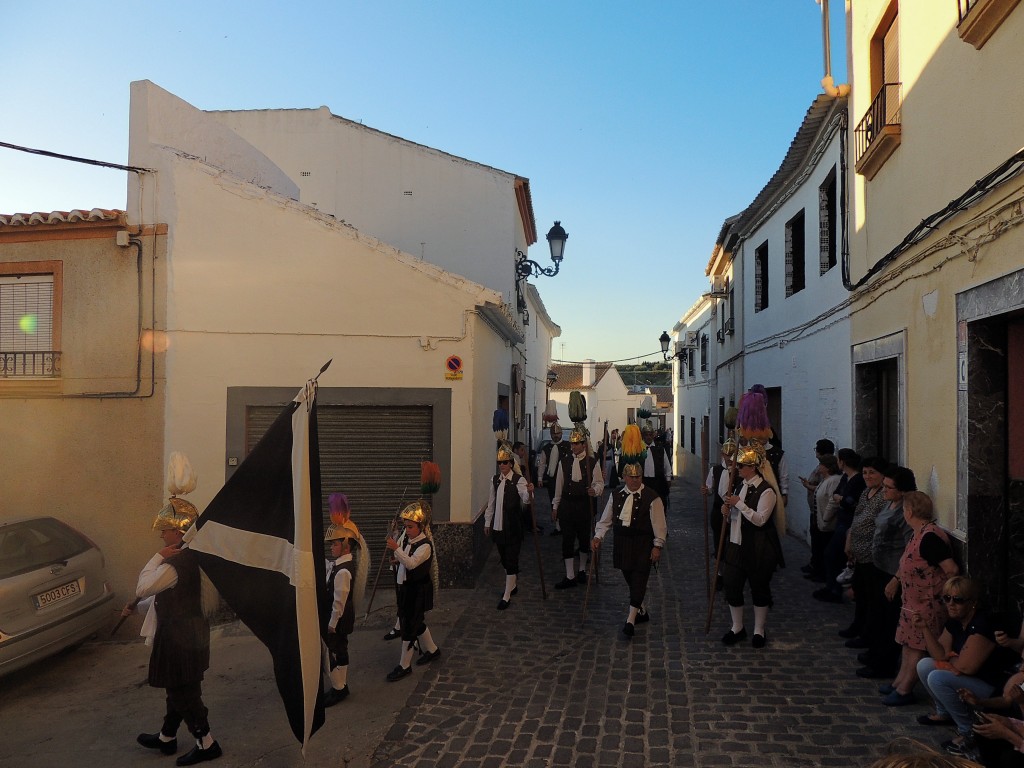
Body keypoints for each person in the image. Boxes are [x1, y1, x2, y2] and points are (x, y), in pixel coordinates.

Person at [126, 453, 222, 766]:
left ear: (178, 532)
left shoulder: (176, 563)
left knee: (184, 693)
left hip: (179, 638)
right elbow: (161, 597)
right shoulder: (189, 558)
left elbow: (145, 586)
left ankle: (207, 743)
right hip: (187, 633)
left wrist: (156, 557)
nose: (162, 535)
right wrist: (139, 608)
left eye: (165, 531)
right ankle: (167, 738)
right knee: (178, 688)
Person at [914, 577, 1017, 755]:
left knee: (937, 677)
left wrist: (952, 660)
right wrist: (924, 628)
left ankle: (968, 730)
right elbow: (939, 654)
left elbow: (967, 667)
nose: (951, 604)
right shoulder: (955, 620)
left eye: (958, 600)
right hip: (972, 677)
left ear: (973, 603)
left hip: (993, 685)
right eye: (946, 598)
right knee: (924, 665)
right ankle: (944, 712)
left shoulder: (983, 623)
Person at [881, 491, 959, 706]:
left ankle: (906, 689)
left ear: (909, 511)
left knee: (918, 646)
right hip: (913, 602)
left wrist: (947, 595)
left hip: (927, 604)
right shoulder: (919, 532)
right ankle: (899, 681)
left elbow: (951, 569)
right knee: (908, 644)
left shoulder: (931, 537)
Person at [592, 461, 667, 639]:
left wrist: (658, 545)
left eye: (638, 477)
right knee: (629, 576)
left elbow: (659, 523)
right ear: (624, 477)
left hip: (643, 543)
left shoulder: (652, 497)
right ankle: (641, 609)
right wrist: (598, 536)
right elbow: (606, 519)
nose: (635, 480)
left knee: (639, 578)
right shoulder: (616, 494)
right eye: (631, 477)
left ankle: (630, 621)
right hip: (622, 543)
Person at [720, 443, 784, 649]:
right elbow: (737, 516)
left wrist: (739, 504)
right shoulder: (739, 486)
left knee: (759, 587)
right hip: (735, 544)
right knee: (732, 585)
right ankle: (737, 626)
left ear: (752, 467)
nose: (737, 469)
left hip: (757, 547)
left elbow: (760, 520)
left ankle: (759, 629)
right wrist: (727, 512)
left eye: (741, 466)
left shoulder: (767, 491)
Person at [857, 465, 916, 681]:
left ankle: (883, 665)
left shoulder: (906, 513)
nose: (884, 491)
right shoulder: (890, 503)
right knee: (876, 615)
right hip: (879, 567)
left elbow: (909, 548)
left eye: (889, 488)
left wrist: (896, 578)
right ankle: (875, 654)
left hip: (893, 572)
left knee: (889, 620)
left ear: (902, 491)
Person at [384, 501, 441, 682]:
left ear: (421, 527)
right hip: (406, 589)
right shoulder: (409, 541)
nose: (407, 530)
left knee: (409, 627)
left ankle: (404, 665)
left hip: (417, 591)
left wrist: (397, 550)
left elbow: (411, 563)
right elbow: (405, 560)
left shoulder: (425, 546)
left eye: (410, 527)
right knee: (416, 622)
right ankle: (432, 650)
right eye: (406, 527)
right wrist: (397, 560)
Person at [840, 456, 890, 644]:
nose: (868, 476)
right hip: (859, 553)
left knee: (871, 598)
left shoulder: (884, 496)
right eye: (865, 472)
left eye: (872, 472)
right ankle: (857, 626)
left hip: (873, 556)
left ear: (882, 474)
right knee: (860, 593)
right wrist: (849, 540)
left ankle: (867, 634)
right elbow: (857, 517)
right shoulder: (866, 492)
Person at [552, 428, 604, 589]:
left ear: (583, 444)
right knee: (567, 540)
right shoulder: (564, 462)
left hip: (584, 505)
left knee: (583, 539)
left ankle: (581, 569)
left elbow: (600, 483)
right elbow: (558, 486)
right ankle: (570, 575)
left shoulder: (592, 462)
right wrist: (555, 506)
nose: (573, 447)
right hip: (567, 506)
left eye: (576, 444)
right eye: (572, 444)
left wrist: (594, 490)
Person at [323, 516, 367, 707]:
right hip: (341, 617)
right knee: (340, 648)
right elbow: (328, 567)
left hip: (337, 618)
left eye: (334, 544)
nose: (331, 547)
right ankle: (342, 685)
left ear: (346, 546)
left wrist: (332, 623)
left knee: (328, 652)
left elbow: (339, 601)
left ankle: (339, 688)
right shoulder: (339, 565)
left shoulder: (343, 571)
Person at [484, 443, 533, 609]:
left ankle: (506, 595)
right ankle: (513, 584)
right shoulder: (495, 480)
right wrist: (487, 521)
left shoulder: (519, 480)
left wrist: (529, 492)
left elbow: (525, 499)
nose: (502, 465)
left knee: (511, 559)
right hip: (498, 526)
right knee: (504, 559)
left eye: (505, 462)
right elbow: (491, 502)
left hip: (513, 526)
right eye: (500, 463)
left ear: (511, 463)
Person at [818, 449, 866, 602]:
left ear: (842, 462)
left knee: (832, 553)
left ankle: (836, 588)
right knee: (834, 554)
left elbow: (849, 501)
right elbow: (838, 495)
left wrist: (842, 499)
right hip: (842, 520)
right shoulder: (846, 477)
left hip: (848, 522)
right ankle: (833, 586)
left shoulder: (858, 480)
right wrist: (841, 498)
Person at [799, 438, 836, 580]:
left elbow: (822, 489)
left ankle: (819, 568)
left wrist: (808, 486)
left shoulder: (826, 470)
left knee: (819, 541)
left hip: (819, 512)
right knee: (817, 540)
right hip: (816, 510)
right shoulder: (822, 468)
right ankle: (815, 564)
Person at [810, 454, 842, 599]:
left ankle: (832, 585)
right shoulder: (826, 480)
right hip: (822, 523)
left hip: (828, 525)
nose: (819, 467)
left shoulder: (834, 481)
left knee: (830, 555)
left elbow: (832, 501)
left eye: (821, 464)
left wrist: (825, 518)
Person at [537, 423, 569, 536]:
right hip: (552, 479)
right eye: (554, 433)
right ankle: (558, 526)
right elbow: (542, 463)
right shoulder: (546, 448)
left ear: (561, 433)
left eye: (558, 433)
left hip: (565, 479)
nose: (556, 435)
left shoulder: (568, 446)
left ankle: (566, 526)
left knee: (565, 502)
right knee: (553, 501)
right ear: (550, 434)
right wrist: (540, 477)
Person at [640, 423, 672, 510]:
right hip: (644, 482)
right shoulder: (639, 449)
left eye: (650, 434)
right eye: (646, 435)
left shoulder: (660, 448)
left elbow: (666, 464)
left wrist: (668, 478)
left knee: (659, 504)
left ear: (653, 435)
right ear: (643, 436)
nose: (648, 437)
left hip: (658, 481)